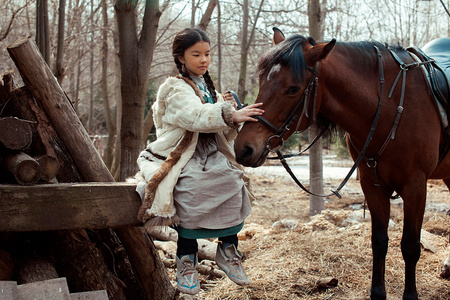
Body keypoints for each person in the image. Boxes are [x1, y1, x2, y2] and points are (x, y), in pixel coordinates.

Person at [133, 28, 264, 295]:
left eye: (207, 54)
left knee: (232, 178)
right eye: (196, 54)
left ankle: (228, 250)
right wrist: (228, 113)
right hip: (182, 153)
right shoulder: (174, 88)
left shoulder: (209, 89)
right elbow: (194, 116)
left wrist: (231, 113)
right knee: (191, 187)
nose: (203, 60)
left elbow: (221, 130)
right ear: (181, 57)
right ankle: (187, 259)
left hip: (211, 153)